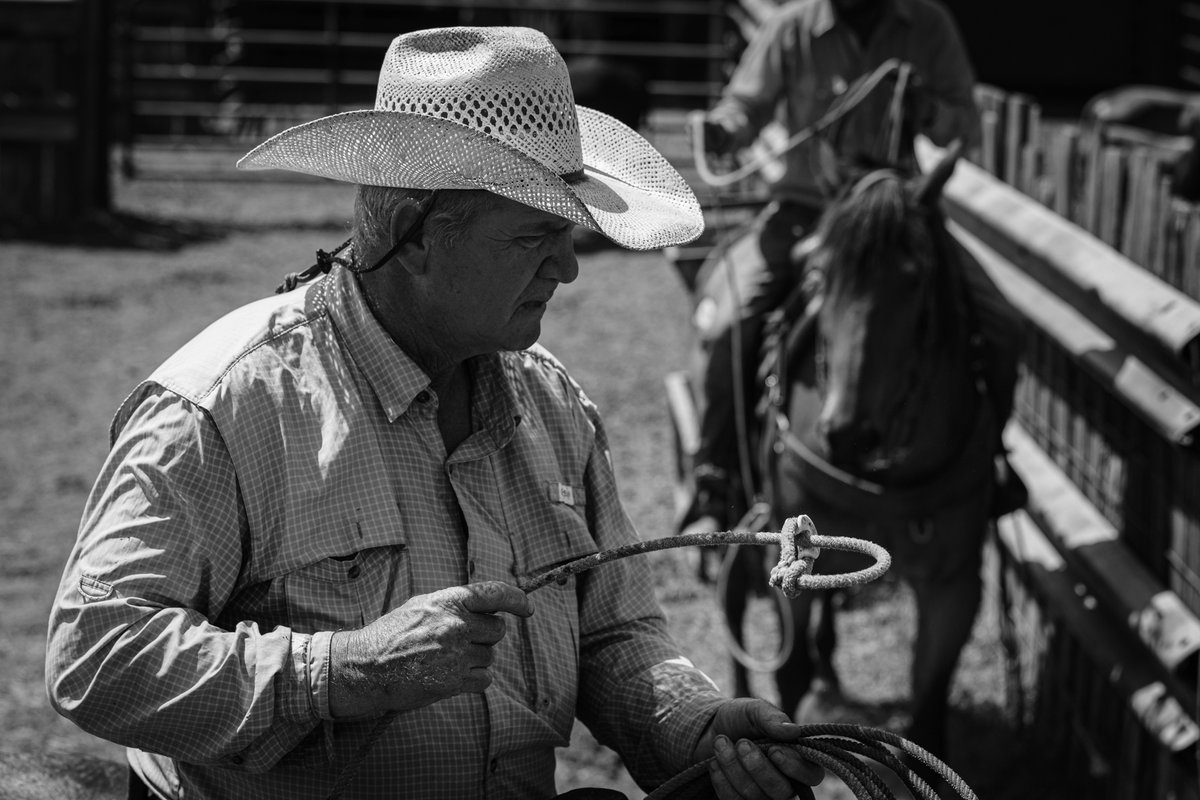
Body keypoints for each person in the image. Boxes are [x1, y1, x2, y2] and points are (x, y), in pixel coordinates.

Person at [44, 26, 826, 800]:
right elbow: (95, 651)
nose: (569, 268)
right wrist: (345, 671)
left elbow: (614, 635)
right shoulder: (227, 406)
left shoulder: (553, 408)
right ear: (417, 234)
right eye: (536, 237)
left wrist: (690, 724)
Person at [683, 0, 1023, 532]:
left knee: (1002, 326)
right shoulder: (792, 29)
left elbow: (965, 123)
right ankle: (717, 477)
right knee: (734, 321)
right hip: (804, 213)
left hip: (897, 220)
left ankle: (992, 464)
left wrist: (928, 110)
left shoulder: (927, 25)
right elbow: (745, 104)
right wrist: (724, 130)